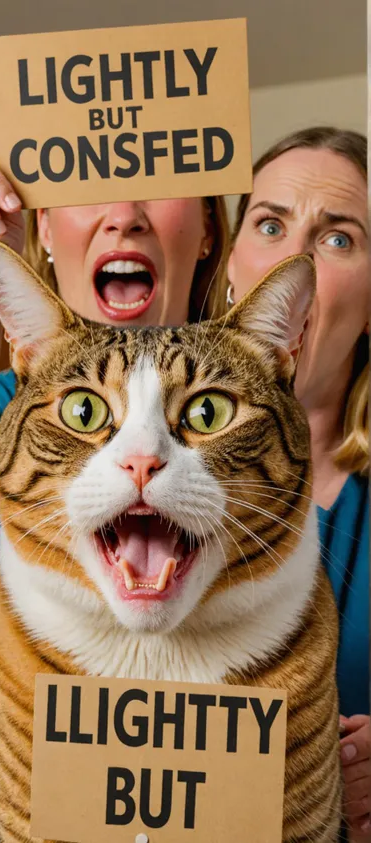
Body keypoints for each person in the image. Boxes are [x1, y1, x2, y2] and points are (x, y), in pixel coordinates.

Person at [0, 87, 229, 724]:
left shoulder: (272, 430)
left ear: (210, 225)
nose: (124, 213)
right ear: (43, 227)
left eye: (160, 178)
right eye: (91, 181)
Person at [224, 127, 369, 840]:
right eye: (270, 223)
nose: (294, 258)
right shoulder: (136, 465)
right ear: (228, 262)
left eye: (338, 239)